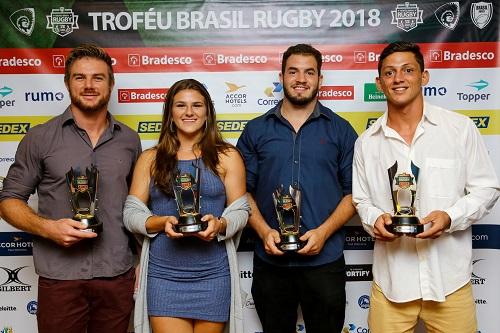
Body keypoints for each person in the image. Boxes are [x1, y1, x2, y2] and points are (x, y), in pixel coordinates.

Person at [352, 41, 500, 333]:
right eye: (390, 72)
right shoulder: (366, 143)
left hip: (450, 283)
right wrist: (374, 220)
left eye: (408, 70)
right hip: (392, 284)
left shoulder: (459, 129)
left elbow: (487, 189)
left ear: (424, 76)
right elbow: (362, 201)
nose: (399, 78)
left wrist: (450, 217)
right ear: (379, 83)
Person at [0, 44, 142, 332]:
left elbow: (136, 206)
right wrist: (48, 228)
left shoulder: (129, 140)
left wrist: (141, 262)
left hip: (117, 276)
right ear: (67, 82)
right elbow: (9, 200)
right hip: (61, 278)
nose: (89, 85)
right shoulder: (39, 138)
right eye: (80, 77)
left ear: (111, 84)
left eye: (98, 77)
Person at [236, 44, 358, 333]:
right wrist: (265, 231)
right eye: (293, 71)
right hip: (271, 262)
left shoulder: (341, 130)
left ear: (320, 79)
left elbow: (354, 194)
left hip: (325, 261)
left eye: (309, 72)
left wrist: (323, 232)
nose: (301, 79)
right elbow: (241, 192)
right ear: (281, 76)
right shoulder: (256, 130)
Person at [123, 78, 249, 333]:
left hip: (214, 275)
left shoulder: (227, 156)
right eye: (181, 105)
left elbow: (241, 211)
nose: (189, 112)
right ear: (170, 112)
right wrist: (160, 222)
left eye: (197, 105)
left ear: (208, 112)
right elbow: (131, 213)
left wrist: (220, 224)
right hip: (163, 276)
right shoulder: (151, 159)